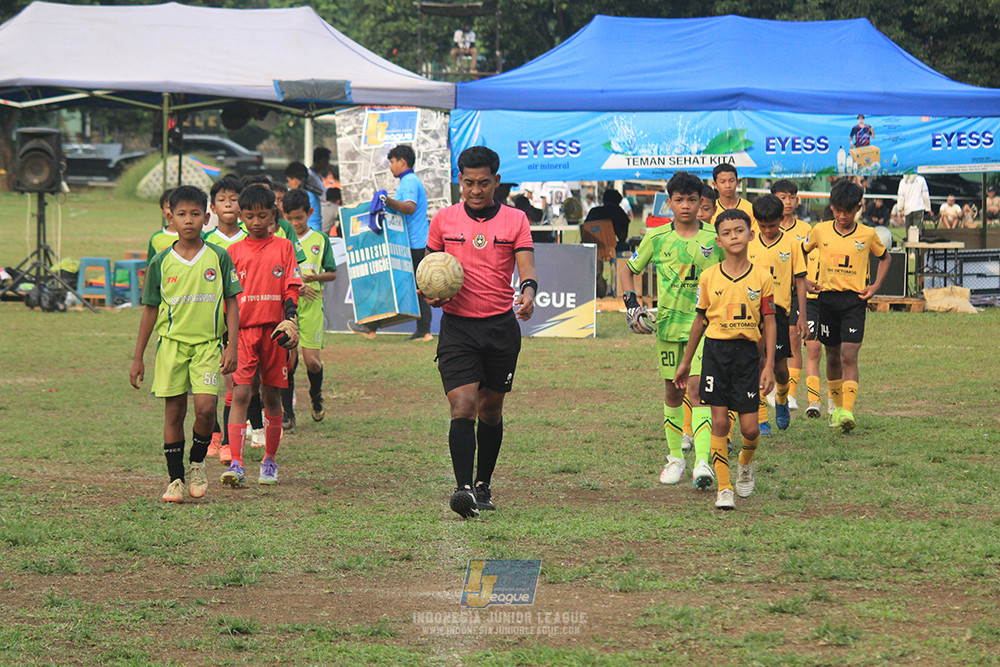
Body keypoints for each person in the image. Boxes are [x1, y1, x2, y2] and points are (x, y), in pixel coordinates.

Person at [423, 145, 536, 519]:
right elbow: (427, 271)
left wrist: (528, 294)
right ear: (460, 181)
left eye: (483, 183)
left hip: (500, 328)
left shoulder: (516, 220)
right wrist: (431, 295)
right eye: (469, 182)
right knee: (463, 406)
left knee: (490, 410)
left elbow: (526, 269)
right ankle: (463, 489)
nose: (475, 190)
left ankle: (483, 482)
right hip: (457, 328)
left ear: (496, 181)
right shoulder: (442, 220)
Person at [129, 185, 241, 503]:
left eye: (195, 214)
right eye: (181, 214)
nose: (188, 220)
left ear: (207, 217)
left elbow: (233, 301)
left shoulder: (218, 257)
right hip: (171, 346)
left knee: (206, 410)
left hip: (207, 346)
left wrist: (231, 345)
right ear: (170, 217)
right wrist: (138, 358)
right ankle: (175, 479)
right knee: (174, 413)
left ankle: (197, 462)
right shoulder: (160, 262)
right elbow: (150, 309)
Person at [618, 171, 725, 490]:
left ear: (700, 202)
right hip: (667, 328)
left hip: (705, 328)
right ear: (669, 202)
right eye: (679, 200)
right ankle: (676, 458)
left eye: (692, 200)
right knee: (673, 392)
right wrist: (631, 304)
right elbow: (628, 269)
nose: (686, 206)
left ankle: (702, 461)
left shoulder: (713, 237)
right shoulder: (657, 237)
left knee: (698, 391)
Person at [674, 208, 775, 511]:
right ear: (718, 240)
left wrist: (768, 363)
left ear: (750, 235)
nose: (734, 237)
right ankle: (725, 488)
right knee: (719, 422)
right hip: (715, 354)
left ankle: (744, 463)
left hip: (747, 356)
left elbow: (769, 322)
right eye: (727, 233)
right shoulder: (709, 277)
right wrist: (686, 361)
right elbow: (700, 320)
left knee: (750, 430)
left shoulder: (762, 276)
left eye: (739, 231)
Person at [223, 185, 302, 487]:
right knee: (241, 393)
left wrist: (291, 322)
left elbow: (291, 289)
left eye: (262, 216)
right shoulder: (233, 252)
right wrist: (226, 341)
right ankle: (236, 462)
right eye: (250, 216)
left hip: (274, 334)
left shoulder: (284, 247)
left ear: (274, 214)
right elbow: (228, 299)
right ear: (240, 216)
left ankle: (269, 460)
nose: (256, 222)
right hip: (243, 333)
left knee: (271, 396)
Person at [804, 179, 891, 432]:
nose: (843, 216)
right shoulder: (820, 231)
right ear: (831, 207)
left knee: (849, 355)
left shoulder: (867, 234)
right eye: (838, 210)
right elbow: (802, 252)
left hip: (854, 301)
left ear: (858, 208)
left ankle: (848, 412)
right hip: (826, 300)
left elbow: (885, 258)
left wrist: (875, 286)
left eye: (849, 211)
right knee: (831, 357)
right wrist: (806, 280)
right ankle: (836, 408)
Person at [347, 144, 434, 342]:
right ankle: (423, 331)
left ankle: (370, 327)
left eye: (392, 162)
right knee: (415, 287)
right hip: (412, 242)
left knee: (390, 282)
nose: (390, 167)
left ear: (402, 161)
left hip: (414, 243)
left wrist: (387, 200)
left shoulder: (409, 180)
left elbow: (409, 208)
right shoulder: (408, 180)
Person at [748, 195, 807, 434]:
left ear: (780, 220)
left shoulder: (791, 243)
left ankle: (781, 399)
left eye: (771, 225)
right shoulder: (749, 241)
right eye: (762, 226)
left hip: (778, 312)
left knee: (780, 368)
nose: (767, 230)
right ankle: (761, 416)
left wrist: (801, 315)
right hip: (752, 312)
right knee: (757, 362)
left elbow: (800, 280)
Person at [280, 188, 337, 431]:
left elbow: (332, 273)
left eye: (299, 218)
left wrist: (313, 279)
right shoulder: (280, 239)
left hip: (312, 306)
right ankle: (288, 414)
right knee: (287, 361)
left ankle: (316, 395)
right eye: (290, 218)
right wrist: (294, 286)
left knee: (312, 362)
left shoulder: (320, 240)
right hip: (286, 306)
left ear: (309, 213)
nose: (295, 223)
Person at [202, 176, 248, 462]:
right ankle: (214, 433)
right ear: (213, 207)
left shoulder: (250, 238)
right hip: (210, 321)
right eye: (222, 199)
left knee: (234, 381)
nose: (228, 203)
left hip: (243, 320)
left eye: (234, 199)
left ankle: (230, 441)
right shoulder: (206, 242)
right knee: (207, 383)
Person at [771, 179, 812, 412]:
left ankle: (791, 395)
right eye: (782, 197)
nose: (787, 202)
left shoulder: (805, 230)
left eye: (791, 197)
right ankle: (768, 389)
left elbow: (807, 265)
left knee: (794, 338)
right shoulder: (762, 228)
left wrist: (809, 282)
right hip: (771, 293)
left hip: (796, 290)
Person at [711, 164, 756, 230]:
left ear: (737, 182)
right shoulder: (711, 210)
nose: (728, 185)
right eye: (723, 182)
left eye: (731, 181)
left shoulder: (749, 209)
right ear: (715, 185)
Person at [285, 161, 324, 232]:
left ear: (295, 181)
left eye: (289, 181)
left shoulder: (300, 196)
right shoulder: (311, 194)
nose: (289, 184)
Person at [146, 188, 178, 265]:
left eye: (176, 207)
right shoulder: (156, 238)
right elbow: (151, 266)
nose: (173, 211)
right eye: (169, 207)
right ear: (163, 212)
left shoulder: (198, 235)